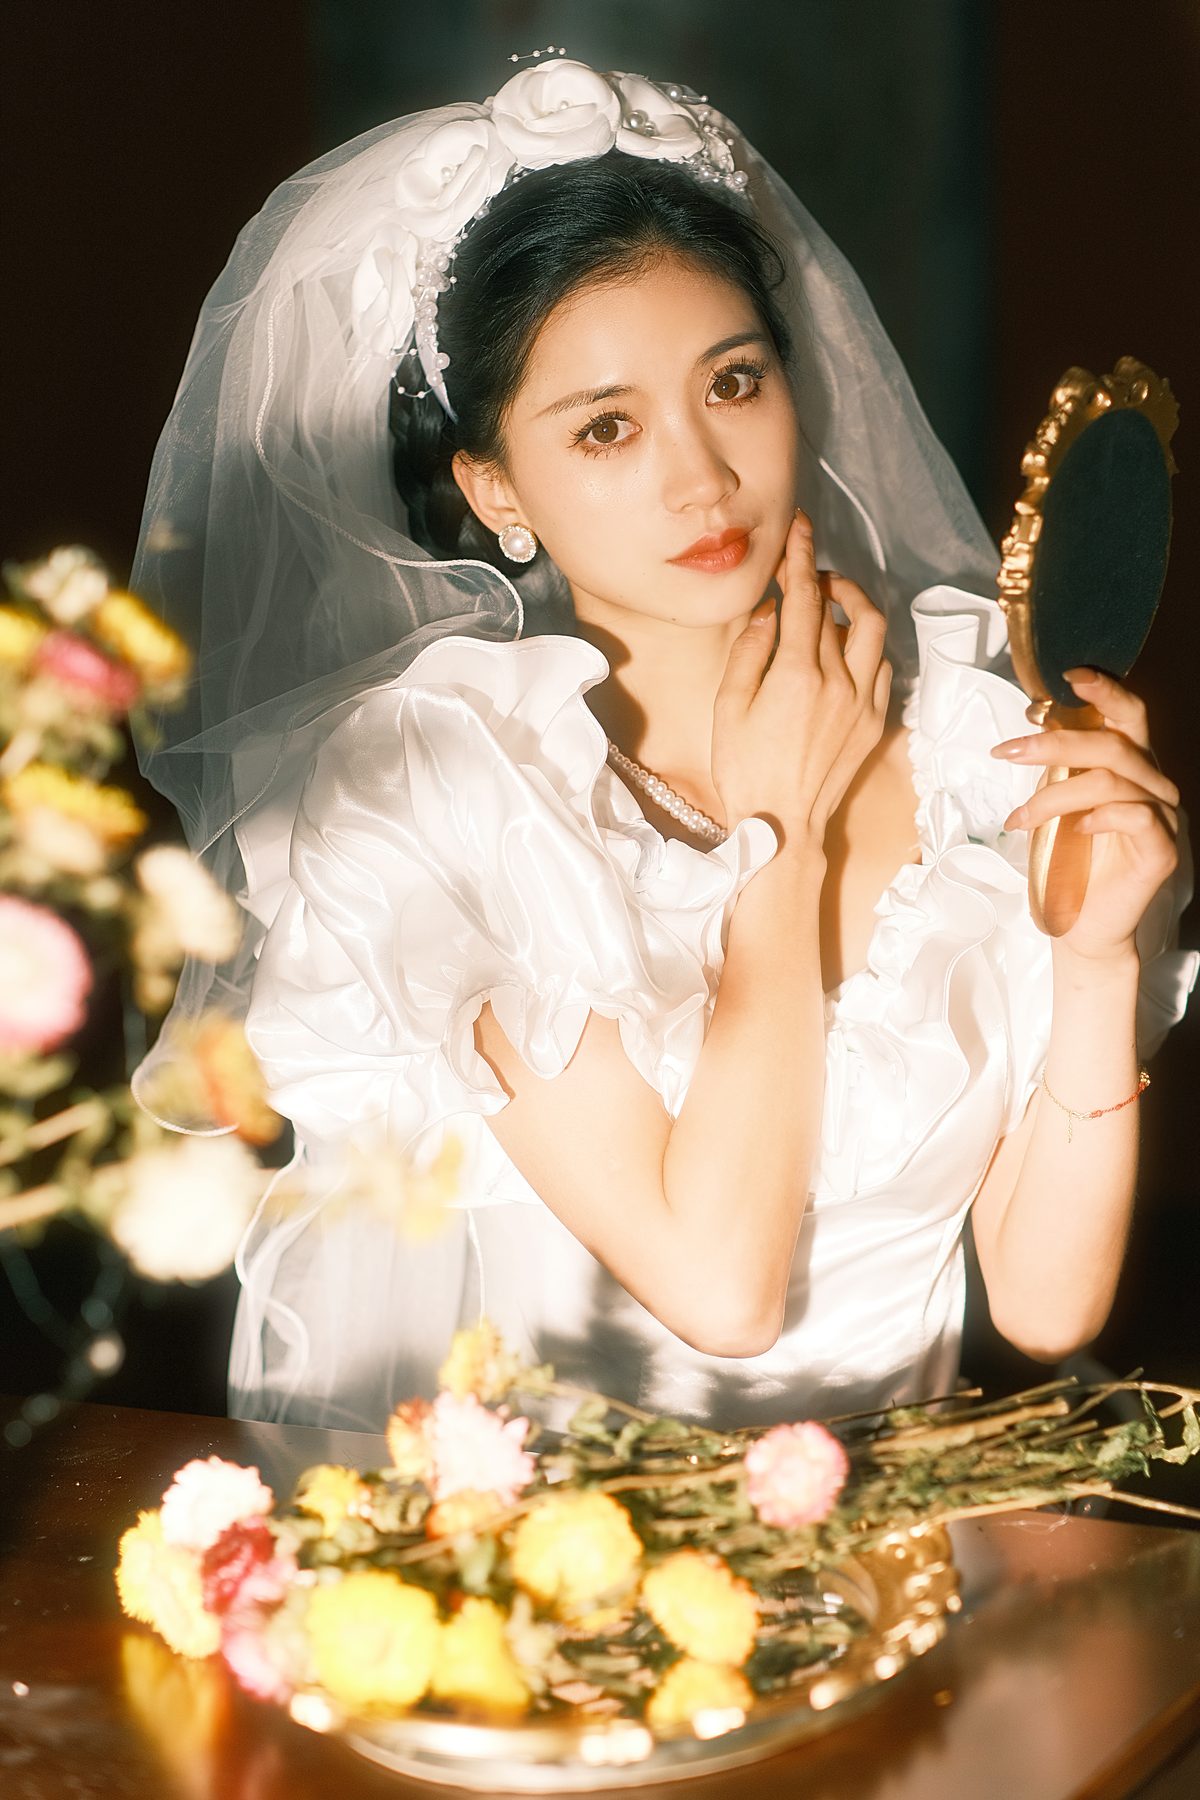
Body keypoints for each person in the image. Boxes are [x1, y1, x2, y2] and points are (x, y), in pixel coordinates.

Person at [129, 57, 1196, 1432]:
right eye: (607, 428)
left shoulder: (961, 737)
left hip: (907, 1539)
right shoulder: (446, 799)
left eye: (734, 383)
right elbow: (722, 1291)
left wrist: (1097, 958)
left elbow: (1047, 1303)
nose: (702, 477)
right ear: (495, 487)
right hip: (572, 1552)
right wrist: (781, 845)